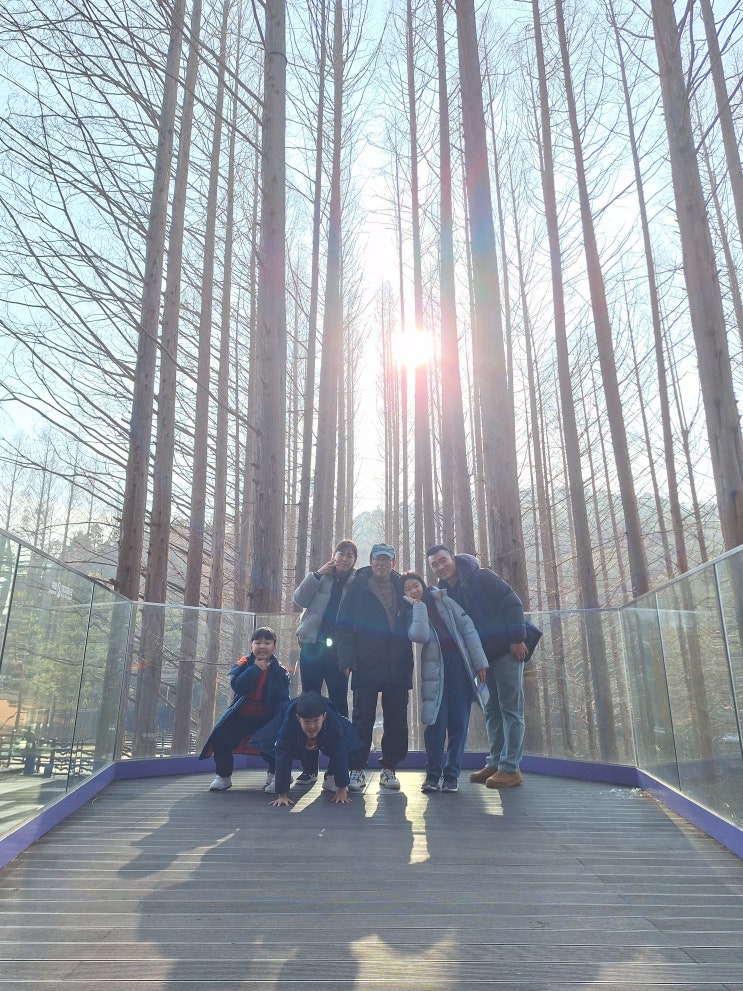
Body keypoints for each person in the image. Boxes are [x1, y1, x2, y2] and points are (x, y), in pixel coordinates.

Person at [427, 545, 528, 788]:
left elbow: (512, 603)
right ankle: (495, 762)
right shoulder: (444, 593)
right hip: (480, 660)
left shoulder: (482, 577)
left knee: (511, 708)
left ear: (453, 558)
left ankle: (510, 768)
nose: (440, 567)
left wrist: (517, 639)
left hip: (505, 650)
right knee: (491, 708)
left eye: (443, 560)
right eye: (435, 565)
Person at [401, 571, 488, 793]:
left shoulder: (444, 599)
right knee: (435, 723)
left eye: (416, 585)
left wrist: (479, 662)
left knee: (459, 722)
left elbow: (468, 628)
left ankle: (451, 775)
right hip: (435, 669)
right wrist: (418, 607)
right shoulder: (410, 612)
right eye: (408, 589)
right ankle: (432, 775)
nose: (413, 591)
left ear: (422, 584)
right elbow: (419, 635)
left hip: (460, 664)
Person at [335, 542, 413, 792]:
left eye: (386, 559)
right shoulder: (358, 587)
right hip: (365, 662)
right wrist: (346, 658)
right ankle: (356, 768)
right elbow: (343, 625)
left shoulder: (403, 586)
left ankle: (389, 768)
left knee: (397, 720)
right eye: (377, 559)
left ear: (393, 562)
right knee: (362, 718)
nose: (381, 564)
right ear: (370, 561)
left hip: (397, 662)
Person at [292, 540, 357, 784]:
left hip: (338, 652)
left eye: (350, 555)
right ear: (334, 555)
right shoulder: (320, 577)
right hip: (311, 646)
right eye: (341, 553)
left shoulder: (356, 583)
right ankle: (309, 768)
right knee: (308, 703)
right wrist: (317, 574)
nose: (345, 558)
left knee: (339, 705)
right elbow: (299, 599)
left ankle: (336, 768)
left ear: (354, 560)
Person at [199, 626, 290, 793]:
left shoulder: (280, 671)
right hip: (241, 715)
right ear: (251, 646)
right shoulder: (243, 664)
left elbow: (282, 699)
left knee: (273, 739)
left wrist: (279, 721)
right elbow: (238, 686)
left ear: (274, 647)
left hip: (266, 717)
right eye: (258, 643)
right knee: (221, 735)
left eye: (267, 643)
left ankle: (276, 773)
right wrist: (255, 669)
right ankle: (223, 776)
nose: (262, 646)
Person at [250, 691, 366, 808]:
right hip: (290, 730)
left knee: (345, 746)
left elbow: (339, 753)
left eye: (316, 720)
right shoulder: (288, 724)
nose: (311, 726)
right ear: (298, 718)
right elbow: (282, 754)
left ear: (324, 717)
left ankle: (331, 775)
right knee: (266, 744)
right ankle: (280, 778)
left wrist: (342, 789)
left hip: (331, 731)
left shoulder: (334, 724)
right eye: (306, 721)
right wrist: (282, 795)